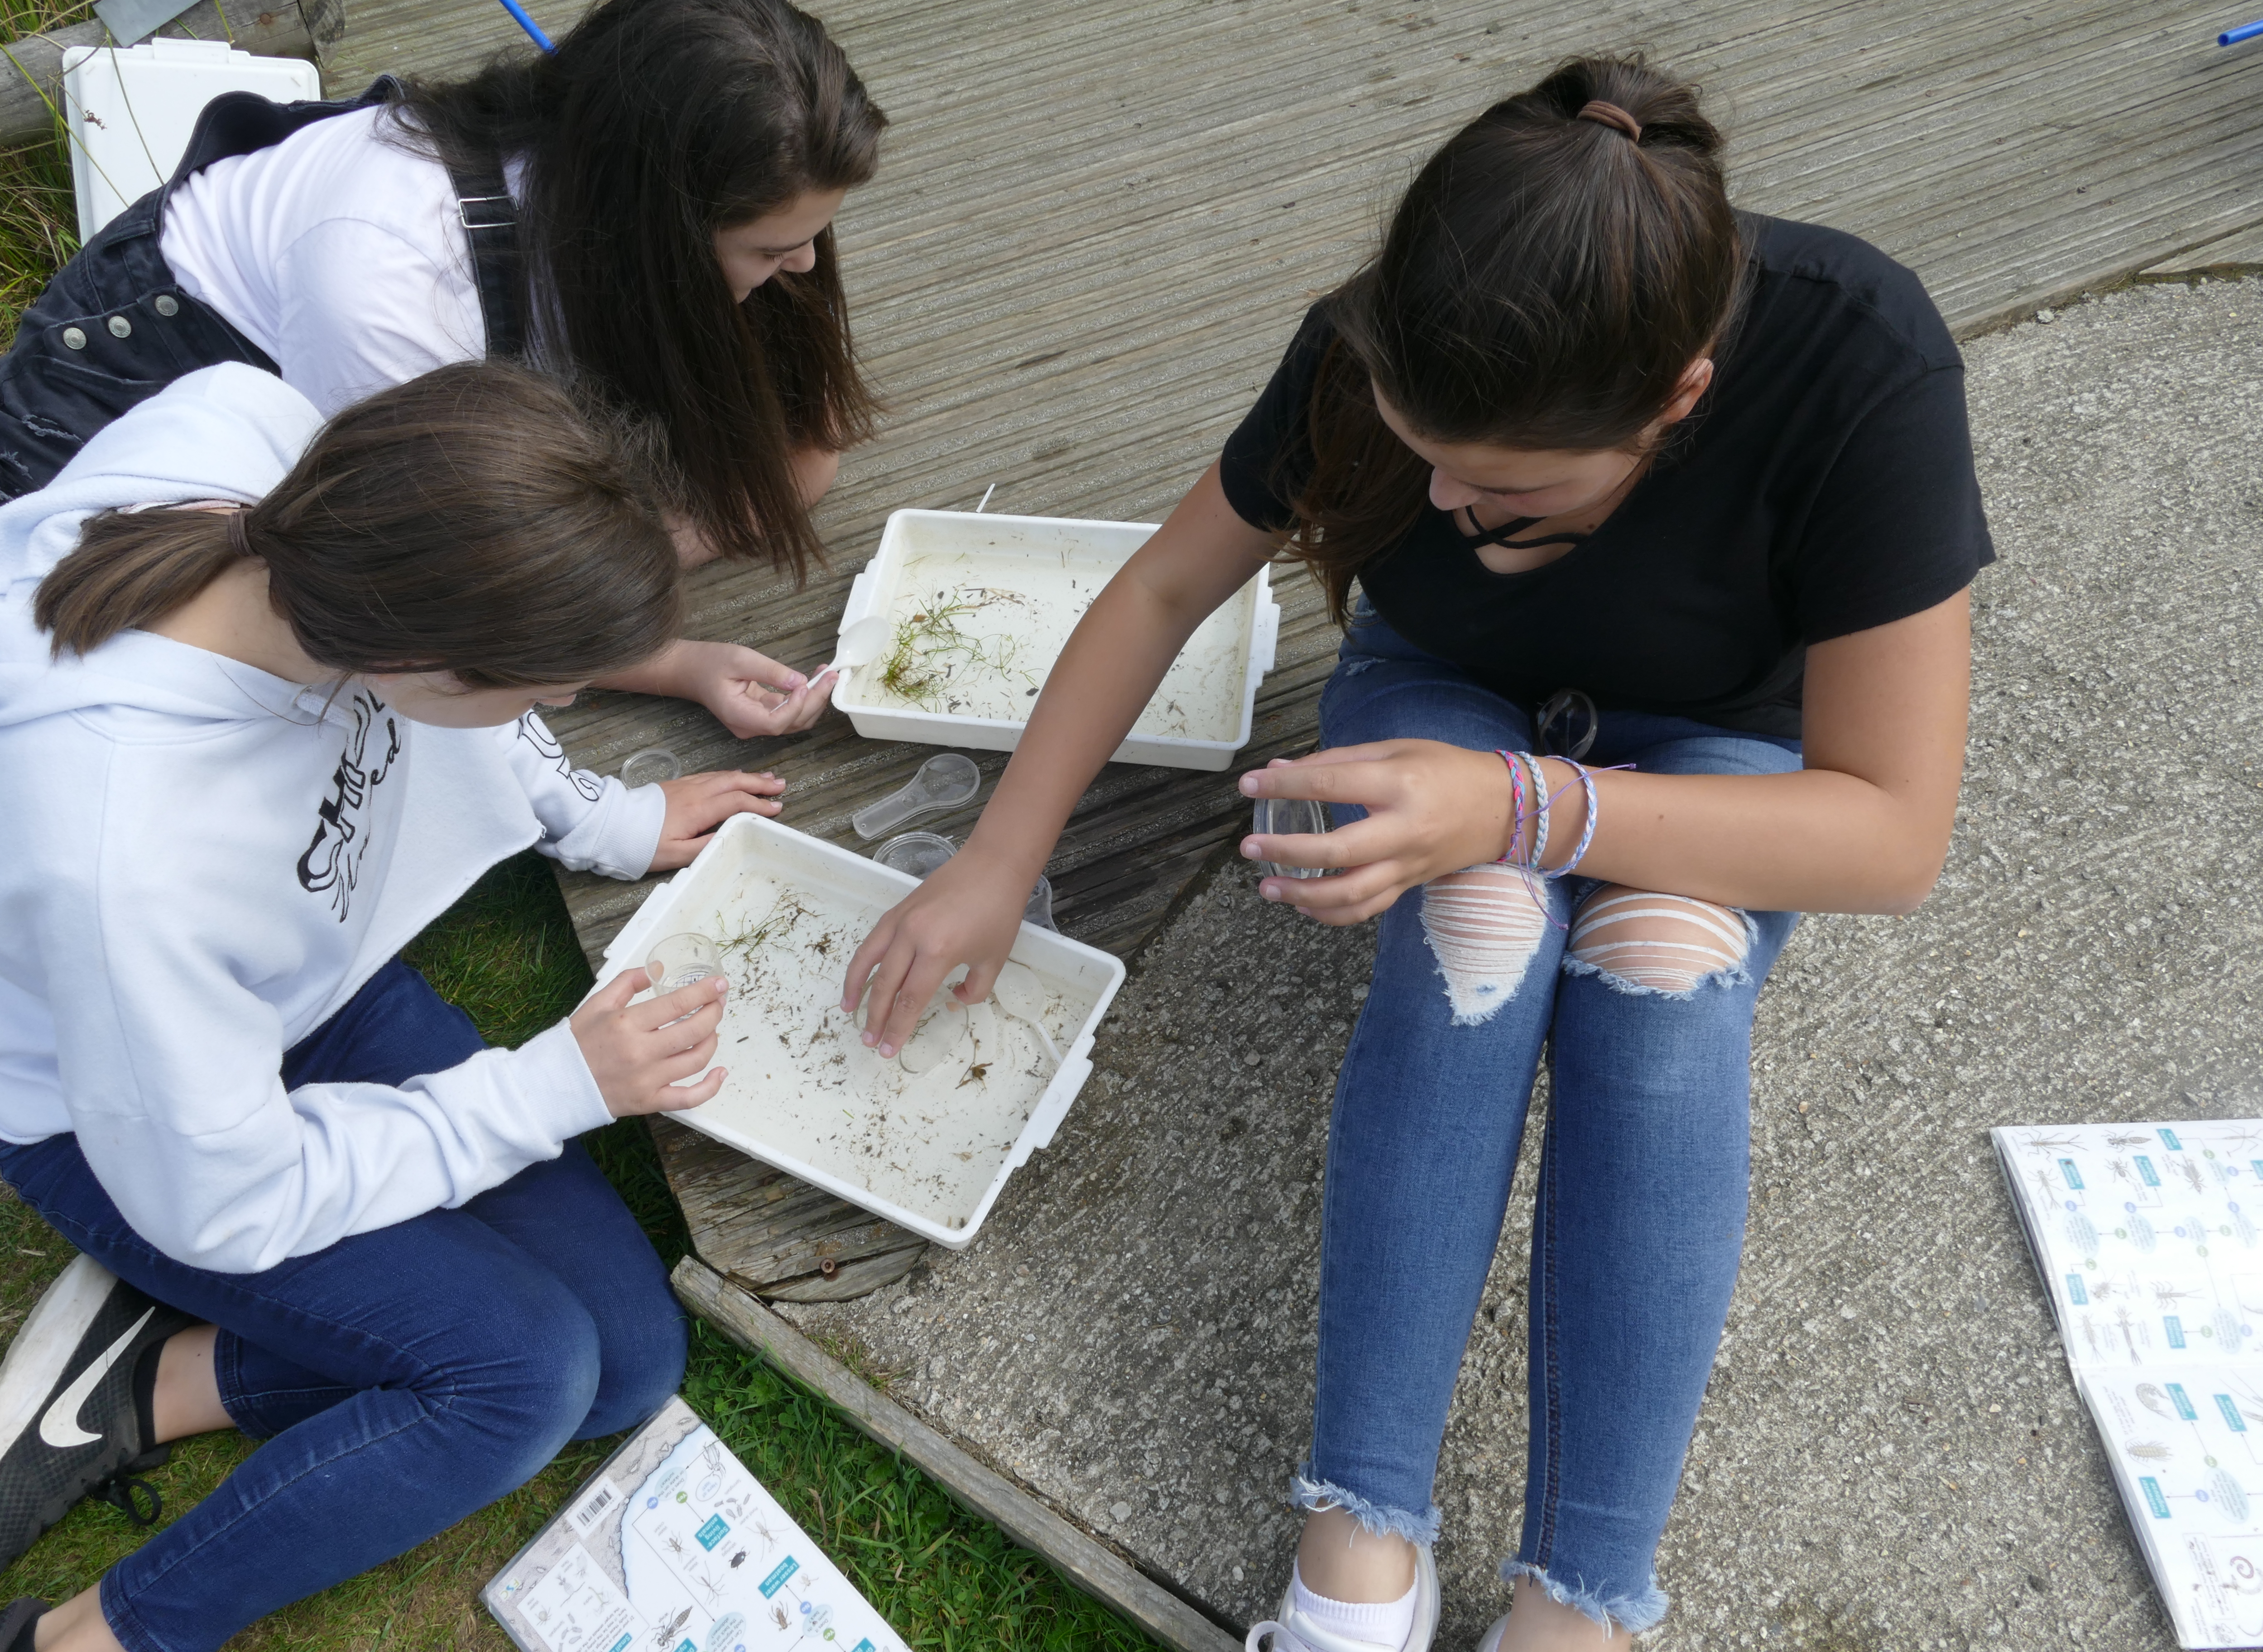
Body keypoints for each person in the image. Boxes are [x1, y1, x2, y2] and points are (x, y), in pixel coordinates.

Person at [838, 57, 1986, 1652]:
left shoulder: (1863, 357)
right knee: (1481, 923)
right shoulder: (1390, 329)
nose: (1438, 501)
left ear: (1679, 400)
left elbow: (1892, 832)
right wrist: (996, 851)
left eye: (1504, 485)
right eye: (1418, 449)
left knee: (1659, 978)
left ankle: (1582, 1602)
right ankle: (1361, 1521)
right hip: (1440, 690)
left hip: (1719, 738)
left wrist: (1524, 803)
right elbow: (1166, 586)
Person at [0, 359, 774, 1652]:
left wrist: (609, 819)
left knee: (629, 1360)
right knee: (524, 1380)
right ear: (415, 654)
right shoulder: (127, 848)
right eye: (541, 679)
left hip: (302, 999)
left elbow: (476, 706)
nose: (560, 703)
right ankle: (85, 1637)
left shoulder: (283, 460)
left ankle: (164, 1378)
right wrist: (555, 1088)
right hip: (115, 1126)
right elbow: (225, 1196)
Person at [0, 0, 883, 891]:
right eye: (769, 249)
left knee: (782, 472)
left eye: (813, 236)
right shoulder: (396, 284)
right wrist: (662, 669)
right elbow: (435, 600)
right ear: (646, 223)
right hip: (125, 392)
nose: (802, 269)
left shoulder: (607, 209)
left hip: (330, 421)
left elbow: (802, 444)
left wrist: (609, 607)